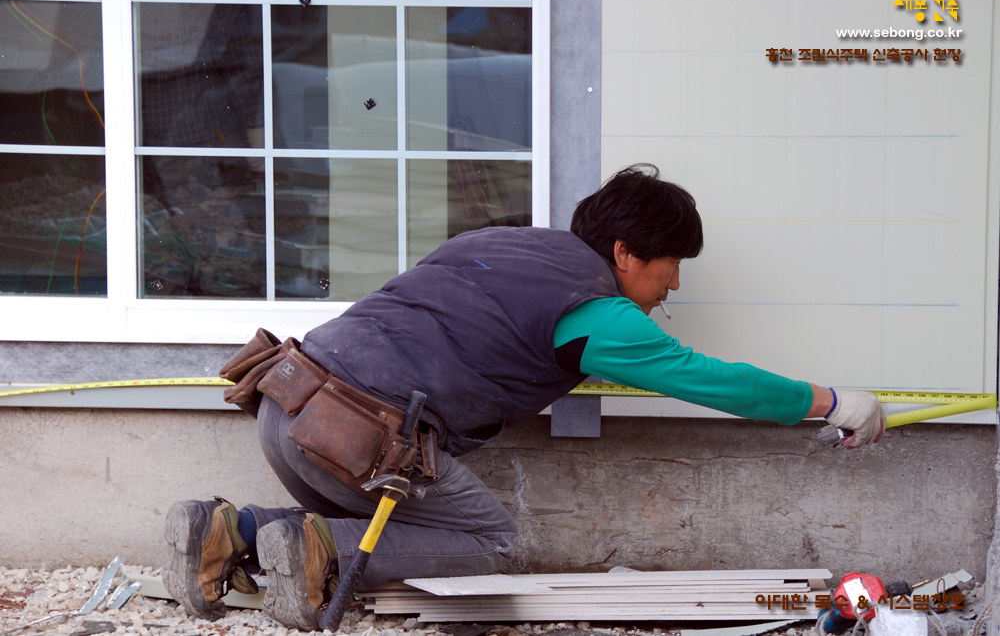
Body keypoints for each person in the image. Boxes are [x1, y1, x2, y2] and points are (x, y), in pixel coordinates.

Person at [163, 164, 886, 630]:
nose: (674, 284)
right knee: (487, 540)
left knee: (397, 509)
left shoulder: (506, 242)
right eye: (670, 265)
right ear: (627, 252)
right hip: (358, 434)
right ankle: (314, 546)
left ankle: (236, 529)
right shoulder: (598, 315)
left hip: (286, 396)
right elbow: (710, 379)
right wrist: (830, 401)